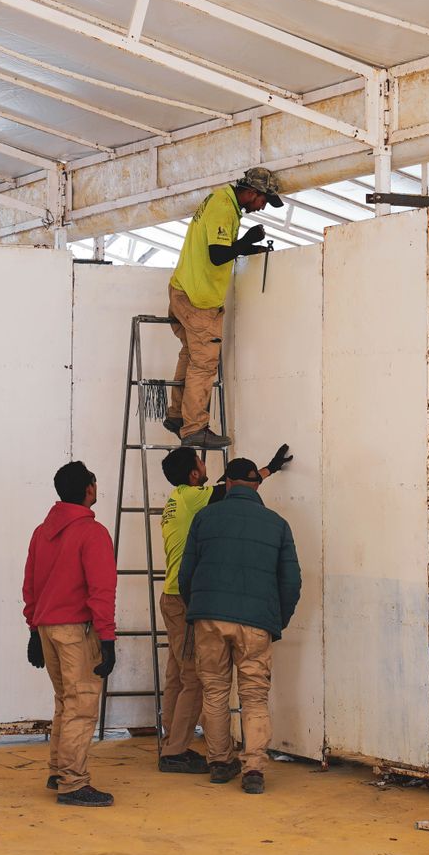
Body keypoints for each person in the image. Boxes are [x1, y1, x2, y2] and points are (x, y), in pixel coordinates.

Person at [155, 444, 292, 775]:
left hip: (172, 596)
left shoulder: (176, 499)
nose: (206, 467)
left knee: (177, 676)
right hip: (185, 600)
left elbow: (232, 485)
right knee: (195, 680)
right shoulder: (194, 498)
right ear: (193, 474)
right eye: (201, 463)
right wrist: (268, 470)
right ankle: (175, 751)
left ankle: (174, 742)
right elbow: (234, 489)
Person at [163, 167, 283, 449]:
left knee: (190, 355)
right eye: (263, 200)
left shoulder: (220, 200)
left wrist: (248, 249)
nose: (262, 206)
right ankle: (194, 428)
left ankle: (177, 416)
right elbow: (217, 255)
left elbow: (221, 248)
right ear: (251, 192)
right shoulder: (223, 207)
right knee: (204, 364)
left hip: (183, 289)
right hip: (199, 300)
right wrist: (247, 241)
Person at [22, 461, 118, 807]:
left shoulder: (41, 532)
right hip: (76, 632)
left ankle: (58, 771)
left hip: (48, 630)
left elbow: (31, 585)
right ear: (89, 489)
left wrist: (34, 630)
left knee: (65, 702)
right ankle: (73, 783)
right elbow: (101, 590)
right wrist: (107, 638)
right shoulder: (92, 533)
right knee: (82, 705)